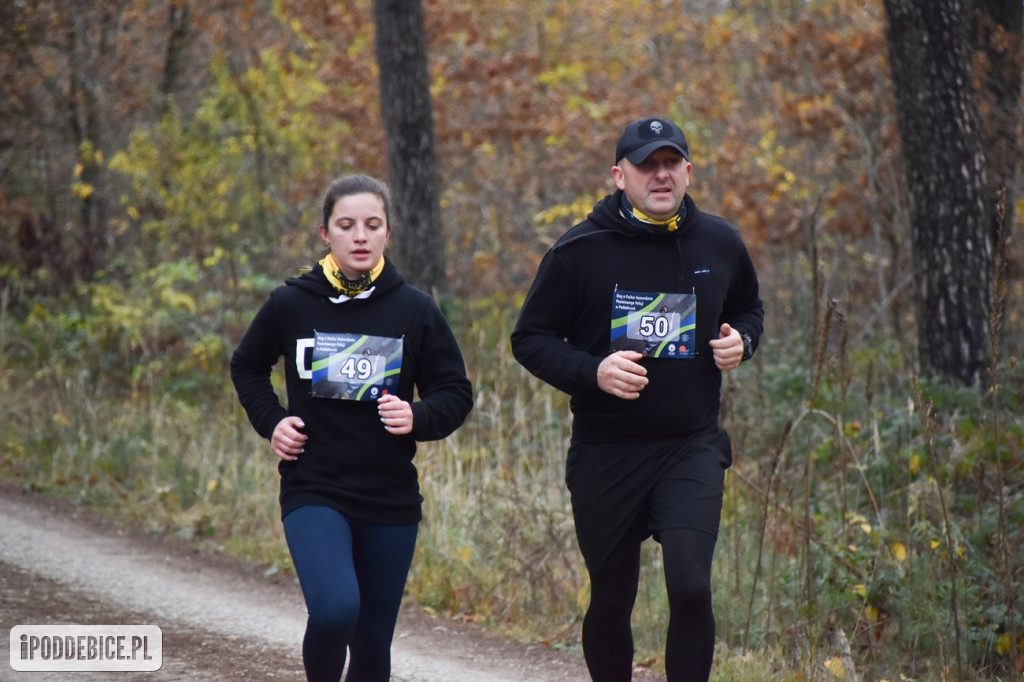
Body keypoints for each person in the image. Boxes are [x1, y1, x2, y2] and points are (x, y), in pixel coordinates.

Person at [510, 117, 763, 682]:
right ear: (619, 176)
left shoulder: (719, 241)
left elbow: (749, 308)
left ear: (689, 172)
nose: (661, 174)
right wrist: (593, 371)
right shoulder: (579, 250)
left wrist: (741, 340)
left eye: (671, 163)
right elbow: (529, 340)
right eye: (647, 165)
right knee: (612, 596)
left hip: (689, 445)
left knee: (692, 586)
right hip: (607, 450)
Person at [230, 174, 473, 682]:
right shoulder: (292, 302)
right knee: (337, 610)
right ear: (326, 233)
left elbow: (455, 393)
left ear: (389, 232)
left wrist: (417, 417)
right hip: (314, 486)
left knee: (370, 645)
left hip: (390, 497)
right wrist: (272, 421)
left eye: (372, 224)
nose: (360, 236)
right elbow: (247, 366)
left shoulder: (415, 310)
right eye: (347, 225)